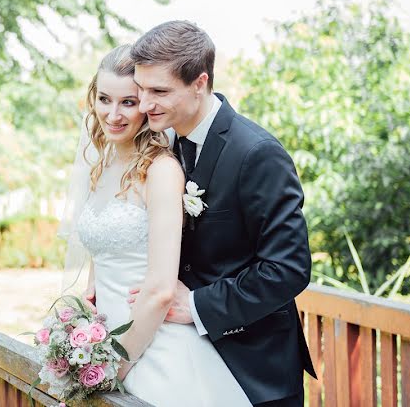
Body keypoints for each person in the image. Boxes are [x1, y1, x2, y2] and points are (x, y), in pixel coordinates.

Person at [126, 21, 316, 407]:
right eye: (141, 89)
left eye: (159, 91)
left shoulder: (258, 153)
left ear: (199, 83)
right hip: (179, 362)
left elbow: (288, 267)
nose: (145, 105)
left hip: (255, 369)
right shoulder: (161, 145)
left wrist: (197, 305)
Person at [61, 44, 252, 406]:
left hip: (150, 344)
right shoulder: (100, 166)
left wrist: (113, 366)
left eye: (128, 102)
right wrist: (85, 329)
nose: (113, 114)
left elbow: (162, 289)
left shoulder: (162, 171)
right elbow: (100, 256)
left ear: (147, 105)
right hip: (103, 335)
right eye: (104, 99)